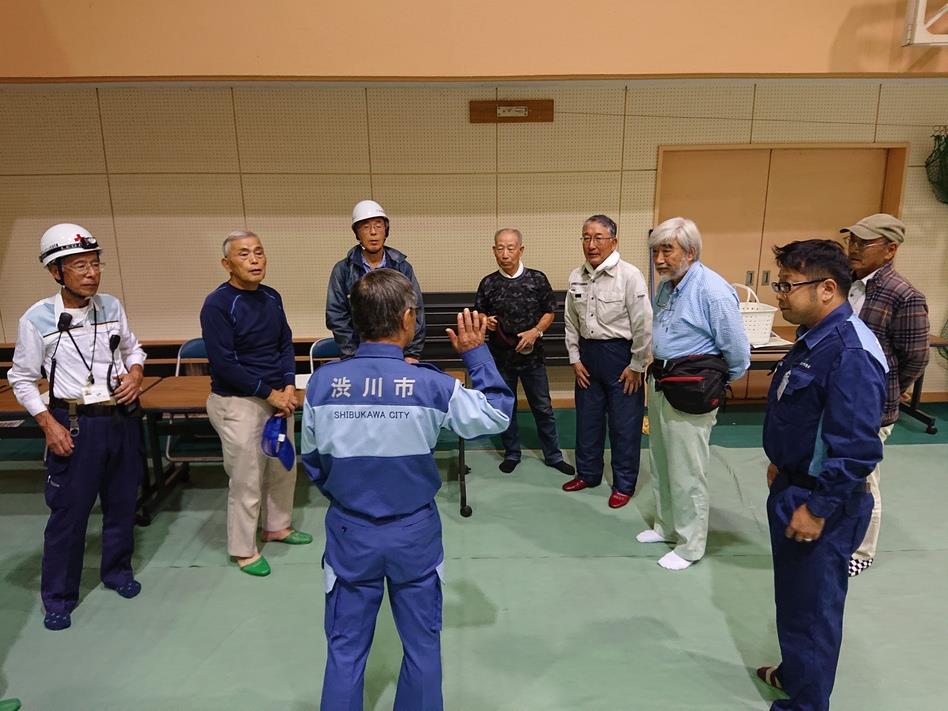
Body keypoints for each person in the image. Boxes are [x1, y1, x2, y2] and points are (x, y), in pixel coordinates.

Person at [302, 269, 513, 711]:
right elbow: (496, 414)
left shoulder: (323, 384)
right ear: (408, 318)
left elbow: (313, 460)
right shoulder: (431, 385)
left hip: (350, 531)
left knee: (344, 651)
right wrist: (476, 354)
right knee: (421, 647)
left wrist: (348, 496)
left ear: (355, 319)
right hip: (413, 533)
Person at [757, 239, 886, 711]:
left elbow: (856, 451)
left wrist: (817, 509)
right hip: (795, 485)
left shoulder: (849, 351)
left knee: (813, 612)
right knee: (794, 599)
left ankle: (807, 704)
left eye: (788, 285)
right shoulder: (816, 336)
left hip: (823, 502)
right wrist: (784, 459)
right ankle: (795, 673)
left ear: (827, 288)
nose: (780, 294)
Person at [8, 223, 146, 631]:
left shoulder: (112, 306)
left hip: (121, 420)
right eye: (79, 265)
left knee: (122, 504)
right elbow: (21, 378)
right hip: (74, 424)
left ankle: (117, 572)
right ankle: (59, 596)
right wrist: (48, 424)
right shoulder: (37, 319)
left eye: (95, 263)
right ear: (56, 272)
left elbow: (132, 348)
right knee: (69, 516)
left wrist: (136, 373)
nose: (91, 272)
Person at [637, 218, 750, 571]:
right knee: (662, 459)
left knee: (688, 468)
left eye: (667, 250)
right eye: (655, 250)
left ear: (690, 251)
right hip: (662, 379)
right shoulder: (669, 286)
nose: (659, 259)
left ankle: (690, 546)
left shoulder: (713, 290)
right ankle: (668, 526)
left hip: (693, 385)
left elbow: (738, 353)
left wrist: (712, 383)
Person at [201, 230, 312, 577]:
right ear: (227, 264)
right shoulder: (218, 304)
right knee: (247, 478)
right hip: (239, 401)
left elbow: (284, 344)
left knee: (283, 467)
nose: (254, 260)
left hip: (278, 397)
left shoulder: (271, 297)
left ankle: (277, 527)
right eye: (244, 254)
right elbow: (225, 363)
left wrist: (289, 386)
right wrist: (270, 392)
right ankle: (243, 549)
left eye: (259, 253)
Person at [841, 213, 930, 577]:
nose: (854, 249)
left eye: (864, 243)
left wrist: (889, 390)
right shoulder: (846, 283)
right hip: (840, 400)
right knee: (837, 471)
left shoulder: (904, 295)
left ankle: (862, 549)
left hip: (874, 408)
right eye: (852, 241)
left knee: (865, 478)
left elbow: (915, 358)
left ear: (890, 249)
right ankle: (838, 533)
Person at [562, 215, 652, 508]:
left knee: (624, 425)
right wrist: (575, 358)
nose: (591, 244)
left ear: (614, 241)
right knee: (587, 421)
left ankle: (624, 484)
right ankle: (587, 474)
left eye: (598, 237)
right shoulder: (577, 275)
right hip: (588, 357)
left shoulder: (630, 275)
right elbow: (570, 322)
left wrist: (638, 364)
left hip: (621, 358)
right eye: (586, 237)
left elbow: (643, 323)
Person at [474, 228, 574, 475]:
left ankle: (553, 455)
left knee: (542, 406)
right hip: (501, 357)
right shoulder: (488, 283)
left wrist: (535, 331)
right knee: (505, 406)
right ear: (494, 250)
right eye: (500, 248)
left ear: (521, 250)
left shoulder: (537, 279)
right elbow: (480, 313)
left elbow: (550, 311)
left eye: (510, 248)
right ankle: (512, 453)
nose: (505, 253)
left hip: (533, 356)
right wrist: (486, 321)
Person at [326, 199, 426, 361]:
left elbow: (416, 310)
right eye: (366, 227)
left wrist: (411, 353)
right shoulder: (343, 270)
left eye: (378, 225)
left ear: (386, 230)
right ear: (357, 233)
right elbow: (336, 316)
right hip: (357, 354)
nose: (373, 232)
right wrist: (352, 355)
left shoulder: (401, 267)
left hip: (398, 355)